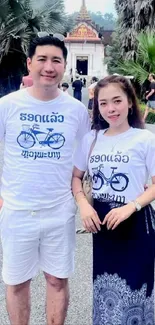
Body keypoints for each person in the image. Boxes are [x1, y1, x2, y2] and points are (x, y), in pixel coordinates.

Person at [0, 34, 90, 325]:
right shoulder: (8, 105)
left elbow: (88, 157)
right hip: (17, 211)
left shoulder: (76, 110)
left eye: (56, 60)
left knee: (57, 281)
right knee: (16, 283)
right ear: (29, 63)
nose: (49, 67)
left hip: (59, 212)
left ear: (64, 66)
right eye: (42, 59)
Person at [72, 75, 155, 324]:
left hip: (136, 222)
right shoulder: (91, 139)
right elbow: (76, 178)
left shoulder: (145, 139)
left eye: (117, 101)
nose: (111, 109)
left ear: (131, 102)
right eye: (103, 103)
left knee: (135, 290)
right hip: (103, 226)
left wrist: (131, 206)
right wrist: (84, 205)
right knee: (105, 290)